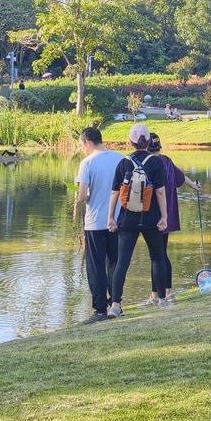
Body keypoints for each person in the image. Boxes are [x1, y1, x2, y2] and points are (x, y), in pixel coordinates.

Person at [106, 126, 169, 318]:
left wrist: (110, 218)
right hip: (151, 218)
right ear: (149, 141)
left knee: (122, 262)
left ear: (130, 142)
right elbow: (160, 192)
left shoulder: (123, 162)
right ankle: (162, 300)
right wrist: (164, 217)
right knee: (157, 257)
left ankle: (115, 305)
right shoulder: (156, 162)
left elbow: (115, 192)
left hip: (127, 219)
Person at [74, 125, 125, 323]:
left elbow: (82, 196)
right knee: (115, 263)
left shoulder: (87, 163)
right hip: (118, 220)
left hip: (95, 221)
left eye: (82, 144)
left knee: (96, 266)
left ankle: (100, 309)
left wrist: (82, 194)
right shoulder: (121, 158)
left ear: (87, 142)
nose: (82, 148)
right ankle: (115, 304)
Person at [145, 132, 200, 306]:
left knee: (157, 255)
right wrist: (194, 186)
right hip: (167, 216)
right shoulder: (167, 161)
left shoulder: (148, 163)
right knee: (161, 253)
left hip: (154, 216)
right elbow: (181, 177)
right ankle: (166, 292)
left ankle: (157, 295)